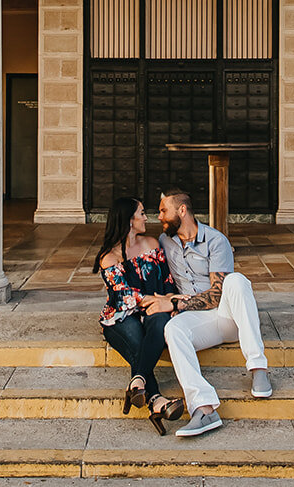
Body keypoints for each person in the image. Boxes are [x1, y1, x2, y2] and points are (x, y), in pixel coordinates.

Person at [137, 187, 271, 438]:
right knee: (173, 329)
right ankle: (204, 408)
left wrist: (176, 304)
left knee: (236, 281)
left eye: (164, 210)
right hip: (200, 322)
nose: (159, 216)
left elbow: (218, 294)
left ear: (182, 210)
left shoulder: (215, 240)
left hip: (227, 317)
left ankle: (258, 368)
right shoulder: (165, 241)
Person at [94, 196, 186, 435]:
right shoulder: (109, 257)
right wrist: (161, 300)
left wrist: (167, 300)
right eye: (142, 213)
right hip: (121, 317)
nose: (147, 217)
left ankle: (138, 383)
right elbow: (124, 297)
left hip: (153, 308)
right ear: (129, 220)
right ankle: (156, 399)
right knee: (137, 342)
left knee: (160, 321)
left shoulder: (152, 244)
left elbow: (167, 279)